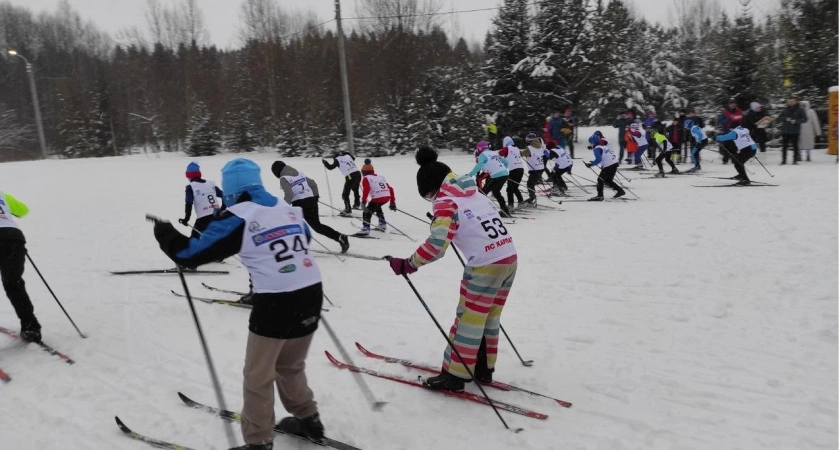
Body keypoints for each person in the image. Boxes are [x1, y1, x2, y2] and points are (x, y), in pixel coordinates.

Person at [152, 159, 325, 450]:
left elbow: (191, 254)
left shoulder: (238, 216)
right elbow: (304, 237)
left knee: (258, 375)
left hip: (276, 300)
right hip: (311, 292)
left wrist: (165, 234)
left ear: (232, 190)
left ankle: (258, 442)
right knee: (290, 364)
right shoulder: (286, 207)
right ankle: (309, 420)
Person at [387, 146, 517, 392]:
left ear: (433, 188)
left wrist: (409, 264)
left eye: (428, 196)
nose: (431, 201)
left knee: (468, 319)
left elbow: (437, 246)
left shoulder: (445, 202)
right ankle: (483, 368)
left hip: (485, 265)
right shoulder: (474, 192)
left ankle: (455, 376)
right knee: (488, 316)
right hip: (509, 257)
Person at [272, 161, 349, 254]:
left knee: (293, 225)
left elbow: (289, 194)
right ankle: (339, 237)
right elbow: (312, 183)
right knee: (317, 226)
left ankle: (296, 246)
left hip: (299, 203)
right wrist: (315, 196)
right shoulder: (299, 174)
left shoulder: (284, 178)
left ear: (277, 171)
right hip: (311, 200)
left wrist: (284, 207)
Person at [0, 190, 41, 343]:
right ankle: (31, 327)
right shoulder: (2, 194)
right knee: (13, 283)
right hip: (13, 238)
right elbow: (23, 211)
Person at [468, 140, 511, 217]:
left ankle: (483, 212)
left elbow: (478, 166)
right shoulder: (494, 152)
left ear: (480, 148)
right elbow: (506, 162)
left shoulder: (483, 155)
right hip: (505, 174)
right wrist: (503, 169)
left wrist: (470, 174)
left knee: (483, 193)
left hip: (496, 176)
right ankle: (505, 210)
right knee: (496, 192)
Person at [182, 162, 224, 237]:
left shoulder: (191, 187)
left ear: (189, 176)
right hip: (217, 216)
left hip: (203, 219)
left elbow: (189, 203)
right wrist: (222, 209)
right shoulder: (210, 184)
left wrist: (186, 219)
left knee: (194, 241)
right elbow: (224, 196)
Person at [358, 159, 396, 235]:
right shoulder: (380, 177)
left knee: (367, 212)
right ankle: (382, 224)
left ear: (363, 172)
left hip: (378, 198)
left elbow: (366, 189)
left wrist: (363, 202)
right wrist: (392, 202)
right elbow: (390, 189)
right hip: (387, 197)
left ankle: (365, 229)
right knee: (377, 207)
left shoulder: (366, 178)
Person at [584, 133, 625, 201]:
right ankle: (620, 191)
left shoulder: (596, 149)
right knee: (608, 180)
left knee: (600, 180)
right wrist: (593, 162)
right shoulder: (603, 146)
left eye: (590, 143)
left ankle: (600, 196)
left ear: (593, 142)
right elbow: (603, 156)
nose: (590, 144)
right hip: (614, 163)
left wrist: (591, 164)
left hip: (609, 165)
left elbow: (599, 159)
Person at [778, 95, 808, 165]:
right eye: (789, 101)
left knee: (795, 146)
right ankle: (784, 160)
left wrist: (796, 121)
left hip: (795, 131)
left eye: (792, 101)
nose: (791, 102)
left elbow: (805, 119)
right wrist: (785, 119)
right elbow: (780, 117)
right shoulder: (785, 109)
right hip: (785, 130)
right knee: (784, 146)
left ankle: (795, 160)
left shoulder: (800, 110)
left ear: (796, 102)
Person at [498, 136, 525, 208]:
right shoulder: (517, 148)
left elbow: (500, 153)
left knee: (509, 189)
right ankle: (521, 201)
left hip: (514, 170)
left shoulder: (507, 148)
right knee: (515, 187)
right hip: (521, 169)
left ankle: (510, 205)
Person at [521, 133, 547, 205]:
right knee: (531, 183)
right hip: (540, 168)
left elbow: (522, 153)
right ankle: (532, 198)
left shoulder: (530, 148)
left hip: (535, 169)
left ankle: (532, 199)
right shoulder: (540, 146)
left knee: (530, 184)